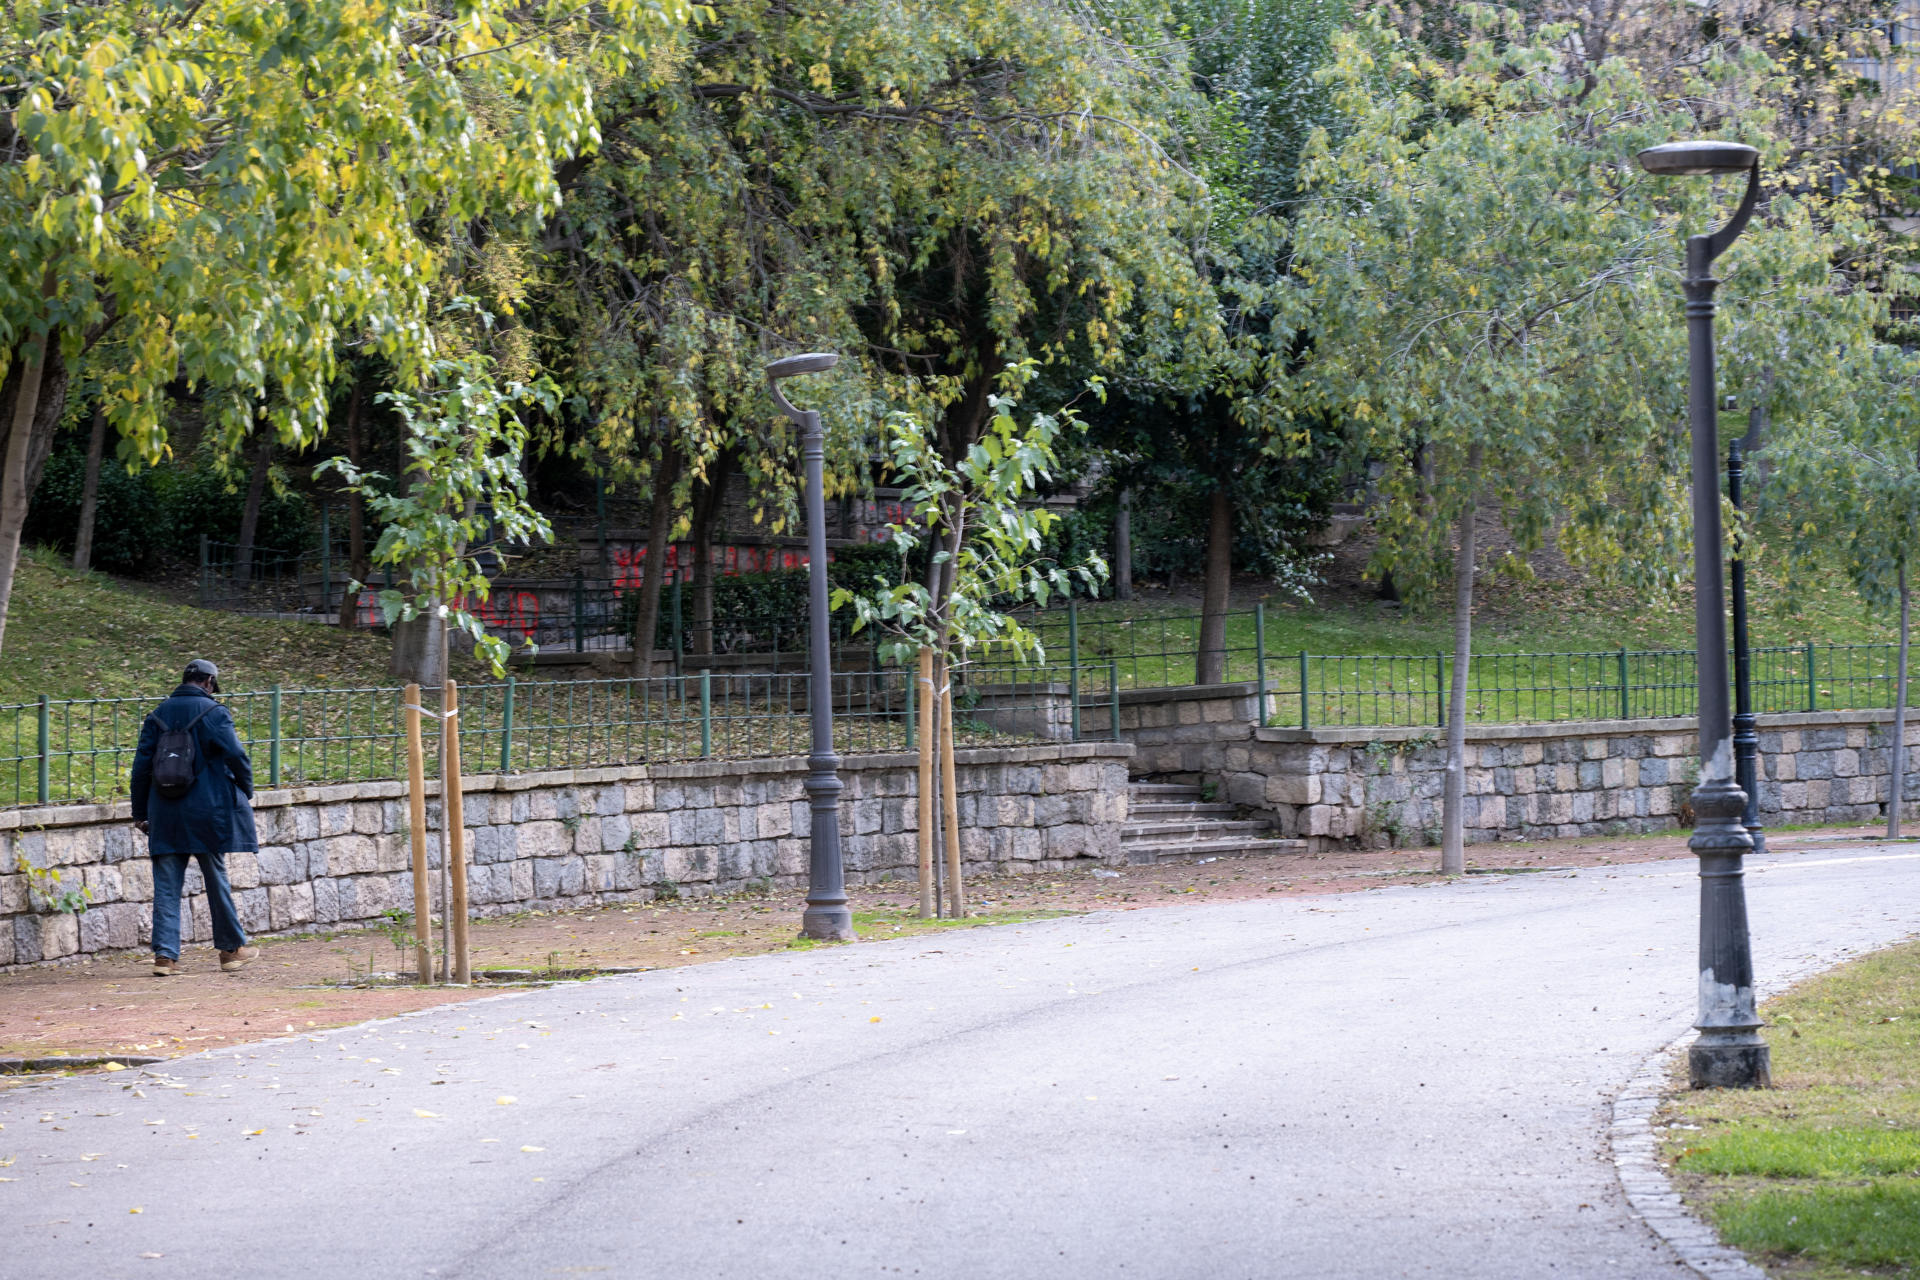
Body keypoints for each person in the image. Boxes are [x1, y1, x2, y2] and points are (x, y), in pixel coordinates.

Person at [130, 659, 259, 977]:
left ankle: (165, 957)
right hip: (207, 811)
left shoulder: (157, 715)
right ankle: (230, 951)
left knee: (166, 885)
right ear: (209, 683)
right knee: (216, 880)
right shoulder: (215, 713)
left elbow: (141, 768)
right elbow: (236, 755)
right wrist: (246, 789)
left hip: (165, 812)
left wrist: (140, 812)